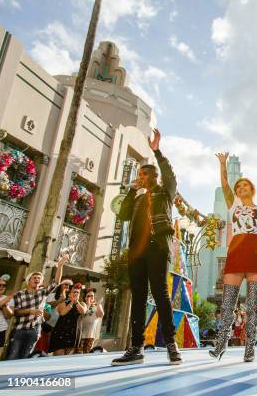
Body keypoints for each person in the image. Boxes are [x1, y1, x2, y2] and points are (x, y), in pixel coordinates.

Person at [112, 129, 182, 366]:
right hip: (136, 253)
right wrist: (132, 191)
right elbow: (122, 215)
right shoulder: (138, 197)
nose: (141, 177)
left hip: (158, 248)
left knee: (161, 295)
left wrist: (157, 151)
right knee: (138, 297)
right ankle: (136, 347)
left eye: (145, 174)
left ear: (154, 176)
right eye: (139, 175)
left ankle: (171, 344)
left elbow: (170, 175)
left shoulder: (165, 193)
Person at [209, 152, 257, 362]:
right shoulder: (233, 206)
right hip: (236, 252)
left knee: (253, 305)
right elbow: (225, 185)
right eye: (239, 187)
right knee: (227, 303)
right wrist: (222, 164)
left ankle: (250, 348)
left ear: (251, 189)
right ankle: (221, 344)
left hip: (255, 253)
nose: (241, 189)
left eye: (245, 186)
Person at [7, 254, 68, 360]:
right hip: (19, 329)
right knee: (12, 357)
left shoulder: (43, 294)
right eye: (34, 278)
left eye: (39, 278)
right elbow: (14, 312)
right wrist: (30, 311)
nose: (37, 279)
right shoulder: (19, 294)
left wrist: (60, 266)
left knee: (27, 357)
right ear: (28, 281)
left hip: (36, 329)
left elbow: (56, 283)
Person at [49, 283, 87, 355]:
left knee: (68, 356)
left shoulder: (82, 304)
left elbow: (83, 311)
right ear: (69, 294)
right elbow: (62, 313)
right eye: (74, 292)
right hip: (61, 330)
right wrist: (72, 302)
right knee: (58, 355)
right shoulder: (63, 303)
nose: (76, 294)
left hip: (74, 331)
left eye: (77, 292)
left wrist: (76, 302)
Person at [79, 289, 104, 353]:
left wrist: (98, 304)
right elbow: (83, 313)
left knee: (87, 353)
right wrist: (88, 304)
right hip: (80, 334)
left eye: (92, 296)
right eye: (88, 296)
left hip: (90, 335)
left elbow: (101, 315)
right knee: (78, 353)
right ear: (85, 297)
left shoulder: (97, 306)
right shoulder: (82, 304)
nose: (90, 297)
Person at [0, 274, 14, 354]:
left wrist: (5, 305)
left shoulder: (6, 299)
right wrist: (6, 299)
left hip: (0, 329)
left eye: (4, 285)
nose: (1, 287)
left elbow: (8, 316)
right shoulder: (7, 298)